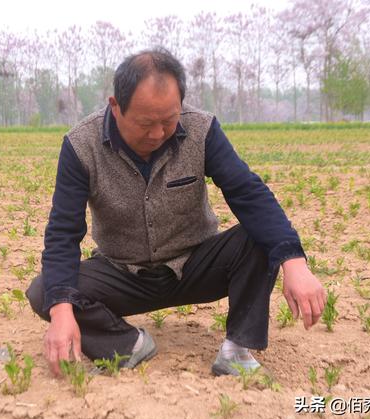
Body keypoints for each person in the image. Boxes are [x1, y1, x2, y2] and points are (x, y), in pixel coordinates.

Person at [26, 48, 326, 377]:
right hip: (123, 275)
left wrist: (294, 262)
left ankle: (237, 350)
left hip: (195, 266)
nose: (157, 134)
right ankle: (127, 345)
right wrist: (63, 311)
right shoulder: (81, 146)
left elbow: (248, 193)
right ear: (115, 106)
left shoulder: (201, 130)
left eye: (169, 121)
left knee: (258, 238)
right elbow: (63, 234)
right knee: (48, 292)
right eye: (145, 123)